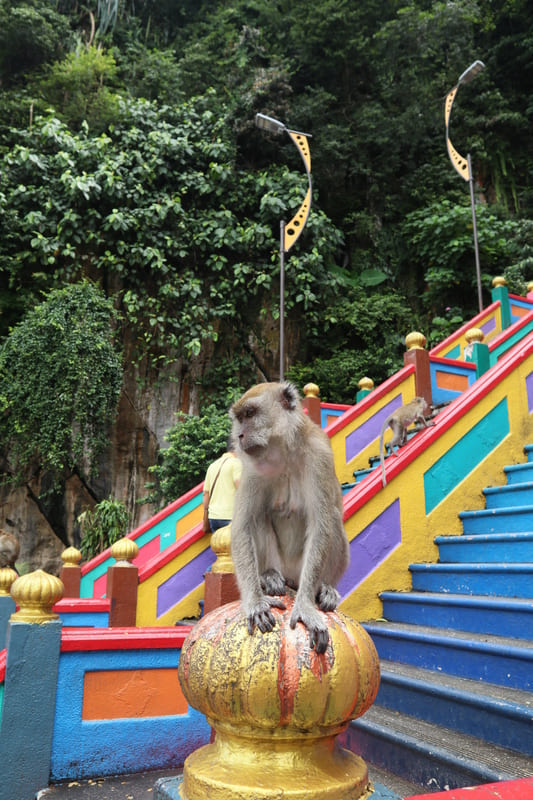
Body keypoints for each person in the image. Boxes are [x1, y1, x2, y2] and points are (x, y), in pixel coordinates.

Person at [202, 442, 242, 533]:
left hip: (214, 518)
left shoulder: (212, 466)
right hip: (231, 517)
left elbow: (205, 494)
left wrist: (206, 512)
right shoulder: (236, 464)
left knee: (219, 546)